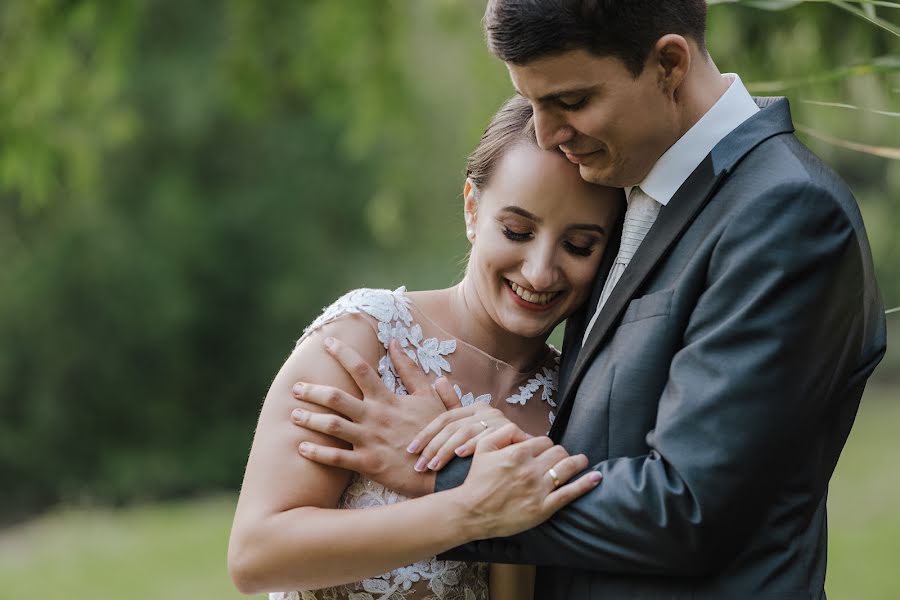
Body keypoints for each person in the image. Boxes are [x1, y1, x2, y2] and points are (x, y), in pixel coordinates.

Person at [289, 1, 888, 598]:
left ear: (668, 64)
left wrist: (449, 473)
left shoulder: (784, 213)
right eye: (532, 104)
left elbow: (687, 510)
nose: (546, 134)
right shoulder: (626, 192)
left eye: (570, 102)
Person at [227, 96, 623, 599]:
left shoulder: (575, 399)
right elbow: (255, 556)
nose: (540, 272)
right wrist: (467, 507)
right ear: (472, 208)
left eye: (579, 246)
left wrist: (505, 485)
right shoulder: (365, 340)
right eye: (517, 231)